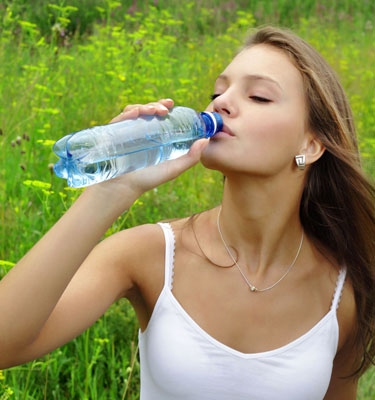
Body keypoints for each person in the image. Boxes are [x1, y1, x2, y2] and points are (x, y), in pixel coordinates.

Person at [0, 26, 374, 399]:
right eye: (218, 91)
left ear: (310, 145)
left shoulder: (340, 292)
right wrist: (112, 190)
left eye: (259, 96)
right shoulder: (151, 254)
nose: (221, 102)